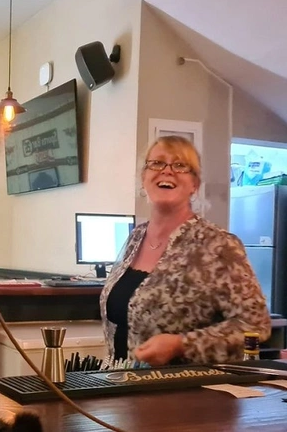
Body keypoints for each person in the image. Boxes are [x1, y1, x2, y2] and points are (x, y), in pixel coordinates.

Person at [99, 135, 271, 365]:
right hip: (121, 380)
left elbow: (256, 325)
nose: (167, 171)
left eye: (180, 165)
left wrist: (182, 344)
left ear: (194, 185)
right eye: (157, 163)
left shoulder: (218, 245)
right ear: (143, 178)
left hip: (183, 385)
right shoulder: (135, 237)